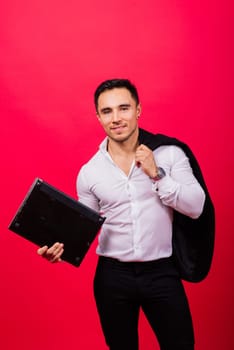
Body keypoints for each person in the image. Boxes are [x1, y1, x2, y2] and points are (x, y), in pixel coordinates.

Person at [38, 78, 208, 350]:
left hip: (161, 272)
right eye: (107, 111)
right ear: (98, 116)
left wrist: (157, 173)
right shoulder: (90, 172)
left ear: (138, 110)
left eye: (124, 108)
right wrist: (60, 249)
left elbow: (197, 207)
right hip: (112, 276)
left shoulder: (170, 154)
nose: (116, 118)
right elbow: (85, 226)